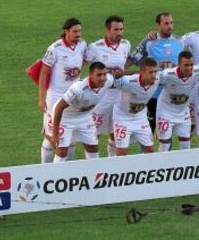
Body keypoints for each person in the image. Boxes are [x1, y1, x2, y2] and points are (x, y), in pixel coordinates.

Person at [38, 18, 87, 163]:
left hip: (74, 96)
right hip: (55, 96)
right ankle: (44, 168)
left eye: (79, 31)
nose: (78, 34)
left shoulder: (82, 45)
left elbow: (85, 60)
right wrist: (41, 98)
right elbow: (43, 72)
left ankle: (66, 169)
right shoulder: (55, 48)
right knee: (50, 135)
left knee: (70, 134)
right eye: (75, 31)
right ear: (66, 31)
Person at [129, 12, 184, 134]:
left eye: (171, 23)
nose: (169, 26)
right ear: (158, 25)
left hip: (172, 95)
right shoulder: (149, 42)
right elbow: (133, 59)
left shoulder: (180, 42)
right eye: (166, 23)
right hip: (153, 95)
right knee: (148, 133)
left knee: (167, 133)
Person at [85, 16, 131, 157]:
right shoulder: (95, 47)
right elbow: (83, 64)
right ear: (107, 30)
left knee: (115, 133)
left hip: (119, 97)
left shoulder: (125, 44)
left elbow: (125, 63)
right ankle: (93, 167)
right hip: (100, 98)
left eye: (121, 29)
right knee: (93, 135)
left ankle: (112, 167)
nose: (119, 32)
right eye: (115, 29)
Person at [51, 62, 114, 162]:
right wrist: (55, 133)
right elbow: (59, 107)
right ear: (90, 75)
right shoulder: (78, 90)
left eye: (104, 74)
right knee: (62, 151)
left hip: (85, 117)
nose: (102, 78)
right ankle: (55, 176)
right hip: (66, 118)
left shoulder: (108, 81)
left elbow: (119, 75)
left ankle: (95, 174)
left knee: (92, 147)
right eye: (98, 75)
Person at [113, 57, 159, 156]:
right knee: (122, 152)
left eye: (155, 72)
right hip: (122, 118)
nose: (154, 75)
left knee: (150, 150)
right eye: (150, 72)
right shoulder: (127, 82)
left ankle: (145, 170)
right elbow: (107, 81)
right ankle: (120, 171)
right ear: (141, 72)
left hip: (140, 118)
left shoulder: (158, 80)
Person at [156, 51, 199, 151]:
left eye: (191, 64)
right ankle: (160, 165)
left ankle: (184, 166)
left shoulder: (197, 71)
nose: (189, 68)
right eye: (186, 65)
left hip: (183, 112)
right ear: (179, 64)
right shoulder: (167, 74)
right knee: (165, 145)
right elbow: (150, 80)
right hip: (165, 112)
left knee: (186, 144)